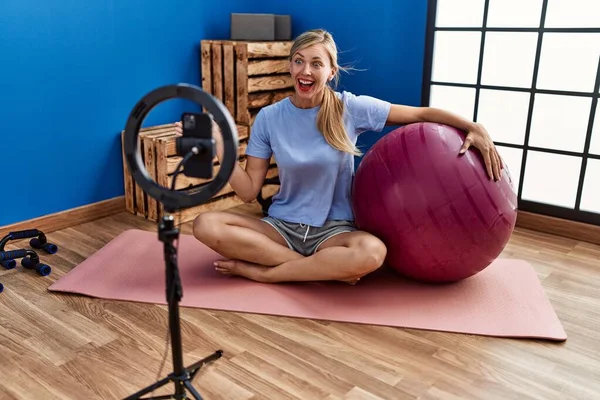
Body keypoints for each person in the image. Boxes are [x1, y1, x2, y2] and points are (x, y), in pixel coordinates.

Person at [192, 28, 503, 285]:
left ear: (331, 72)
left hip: (335, 230)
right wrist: (221, 148)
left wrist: (472, 126)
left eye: (316, 63)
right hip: (281, 227)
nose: (306, 70)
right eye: (299, 61)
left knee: (371, 253)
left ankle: (267, 274)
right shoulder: (269, 118)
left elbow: (420, 114)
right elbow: (248, 192)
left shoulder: (351, 107)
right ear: (290, 66)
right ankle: (316, 269)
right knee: (205, 225)